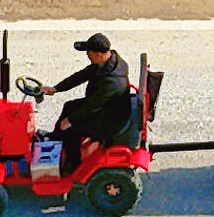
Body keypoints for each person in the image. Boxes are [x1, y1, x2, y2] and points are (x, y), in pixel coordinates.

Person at [43, 32, 141, 174]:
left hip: (110, 119)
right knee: (69, 106)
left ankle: (73, 164)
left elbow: (93, 106)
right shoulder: (107, 61)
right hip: (106, 107)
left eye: (89, 53)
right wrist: (56, 88)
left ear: (99, 54)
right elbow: (81, 76)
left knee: (70, 129)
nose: (87, 55)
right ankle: (56, 140)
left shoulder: (112, 81)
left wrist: (70, 121)